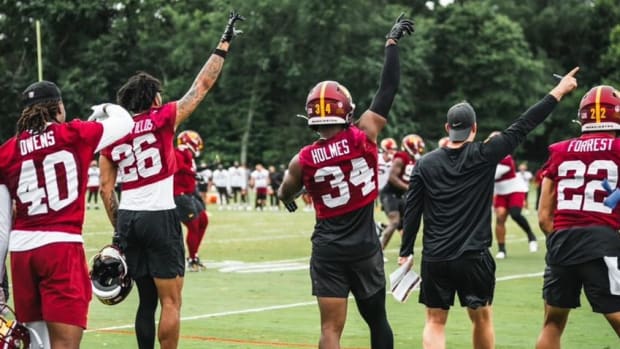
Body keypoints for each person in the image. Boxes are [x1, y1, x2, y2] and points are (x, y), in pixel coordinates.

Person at [399, 68, 579, 349]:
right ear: (474, 128)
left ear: (448, 129)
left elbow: (412, 210)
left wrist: (406, 250)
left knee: (434, 321)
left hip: (435, 256)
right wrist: (559, 91)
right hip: (473, 256)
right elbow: (524, 123)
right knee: (482, 319)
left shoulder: (425, 163)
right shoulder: (486, 154)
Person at [98, 11, 244, 349]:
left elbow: (106, 189)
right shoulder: (162, 117)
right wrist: (223, 44)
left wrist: (120, 229)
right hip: (160, 216)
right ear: (154, 98)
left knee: (145, 303)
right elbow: (202, 86)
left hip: (130, 219)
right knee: (171, 302)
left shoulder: (110, 136)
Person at [278, 13, 413, 349]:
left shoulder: (303, 158)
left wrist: (290, 197)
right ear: (347, 110)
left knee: (330, 330)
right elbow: (388, 88)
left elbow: (284, 192)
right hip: (364, 246)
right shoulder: (364, 134)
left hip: (328, 248)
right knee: (377, 321)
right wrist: (391, 43)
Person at [0, 80, 134, 349]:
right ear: (58, 107)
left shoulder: (7, 151)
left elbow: (2, 225)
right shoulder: (75, 134)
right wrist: (104, 108)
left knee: (37, 342)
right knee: (65, 345)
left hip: (22, 254)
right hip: (61, 247)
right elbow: (125, 121)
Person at [536, 85, 620, 348]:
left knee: (552, 322)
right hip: (602, 241)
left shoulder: (560, 150)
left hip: (562, 241)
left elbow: (543, 216)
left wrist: (564, 237)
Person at [379, 133, 425, 250]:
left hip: (401, 195)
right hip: (390, 193)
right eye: (418, 146)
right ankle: (378, 250)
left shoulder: (413, 160)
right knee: (394, 222)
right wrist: (409, 188)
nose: (420, 149)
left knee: (409, 223)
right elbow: (392, 178)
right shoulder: (401, 157)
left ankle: (405, 252)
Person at [491, 148, 538, 259]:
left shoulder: (506, 157)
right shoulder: (487, 156)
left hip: (514, 190)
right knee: (500, 216)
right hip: (500, 192)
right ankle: (502, 250)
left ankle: (531, 236)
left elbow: (493, 174)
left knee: (515, 214)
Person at [174, 130, 209, 272]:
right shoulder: (180, 152)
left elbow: (188, 168)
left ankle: (194, 256)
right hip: (180, 194)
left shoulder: (188, 154)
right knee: (193, 226)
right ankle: (192, 258)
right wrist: (195, 174)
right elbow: (179, 167)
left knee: (203, 220)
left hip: (190, 192)